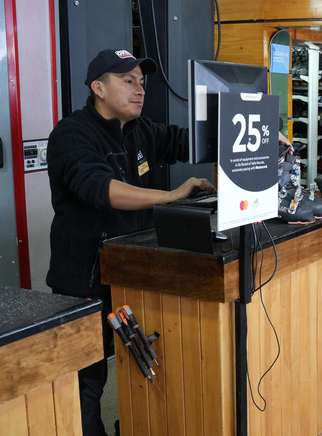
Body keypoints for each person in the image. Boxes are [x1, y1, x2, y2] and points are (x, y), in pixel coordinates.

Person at [46, 48, 214, 436]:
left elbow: (188, 141)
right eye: (128, 81)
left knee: (142, 358)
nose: (140, 90)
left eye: (141, 81)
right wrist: (172, 196)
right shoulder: (72, 134)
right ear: (98, 88)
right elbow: (104, 190)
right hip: (84, 279)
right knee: (88, 379)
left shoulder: (141, 130)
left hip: (136, 270)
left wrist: (252, 132)